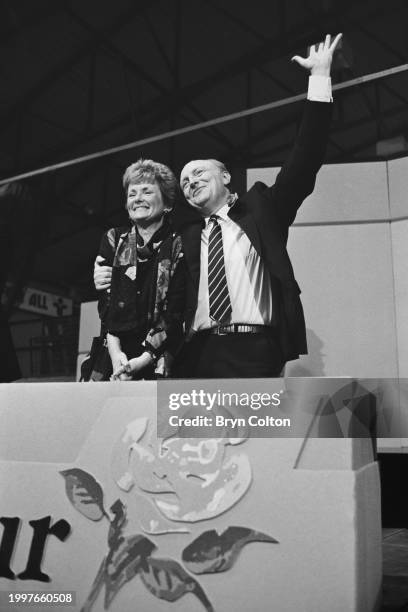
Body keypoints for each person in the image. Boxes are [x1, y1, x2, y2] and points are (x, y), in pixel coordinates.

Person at [95, 34, 341, 378]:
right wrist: (107, 273)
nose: (191, 181)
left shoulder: (262, 210)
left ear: (225, 176)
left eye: (198, 172)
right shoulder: (182, 236)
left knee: (253, 434)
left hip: (258, 349)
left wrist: (319, 78)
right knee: (200, 435)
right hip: (196, 354)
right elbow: (147, 286)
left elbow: (305, 159)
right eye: (184, 182)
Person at [92, 159, 184, 381]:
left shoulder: (179, 244)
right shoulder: (114, 238)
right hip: (114, 352)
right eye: (132, 194)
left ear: (168, 204)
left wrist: (145, 358)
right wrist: (116, 356)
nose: (137, 199)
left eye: (146, 192)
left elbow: (175, 310)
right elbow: (107, 304)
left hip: (161, 354)